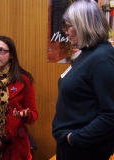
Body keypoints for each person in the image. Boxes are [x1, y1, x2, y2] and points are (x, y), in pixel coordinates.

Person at [52, 0, 114, 160]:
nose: (66, 31)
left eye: (68, 26)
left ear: (83, 25)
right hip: (71, 148)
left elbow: (110, 114)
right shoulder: (87, 53)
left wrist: (75, 138)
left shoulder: (102, 59)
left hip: (84, 150)